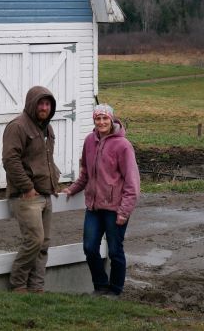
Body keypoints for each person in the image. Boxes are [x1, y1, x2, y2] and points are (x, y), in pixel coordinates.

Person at [64, 103, 140, 298]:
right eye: (98, 118)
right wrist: (72, 189)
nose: (102, 122)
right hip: (94, 207)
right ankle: (100, 286)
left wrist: (124, 211)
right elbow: (85, 173)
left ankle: (115, 290)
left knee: (115, 251)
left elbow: (132, 182)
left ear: (112, 120)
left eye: (105, 118)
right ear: (94, 120)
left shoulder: (123, 146)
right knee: (89, 248)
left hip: (115, 209)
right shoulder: (90, 141)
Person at [2, 85, 60, 293]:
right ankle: (18, 284)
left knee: (43, 245)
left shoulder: (47, 128)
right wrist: (27, 188)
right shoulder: (17, 126)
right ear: (31, 104)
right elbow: (10, 160)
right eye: (41, 103)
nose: (44, 107)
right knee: (34, 240)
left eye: (48, 104)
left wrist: (55, 180)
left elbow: (45, 159)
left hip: (46, 194)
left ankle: (36, 288)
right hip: (26, 196)